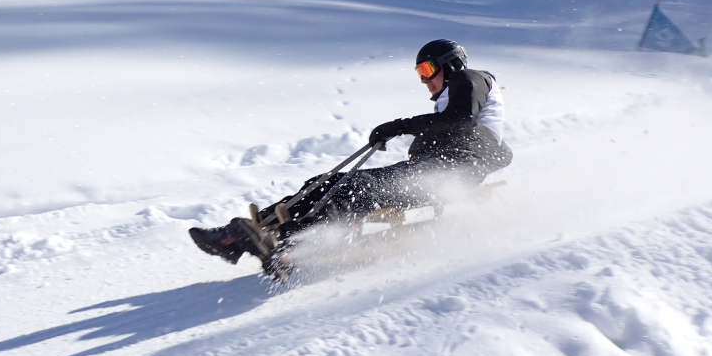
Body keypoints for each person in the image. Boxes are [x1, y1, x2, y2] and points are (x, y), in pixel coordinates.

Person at [189, 39, 513, 269]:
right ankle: (244, 235)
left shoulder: (471, 79)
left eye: (428, 69)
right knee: (323, 182)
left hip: (447, 175)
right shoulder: (449, 100)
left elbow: (461, 119)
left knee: (353, 189)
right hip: (433, 169)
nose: (425, 80)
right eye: (420, 73)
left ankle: (289, 243)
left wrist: (400, 126)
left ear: (450, 64)